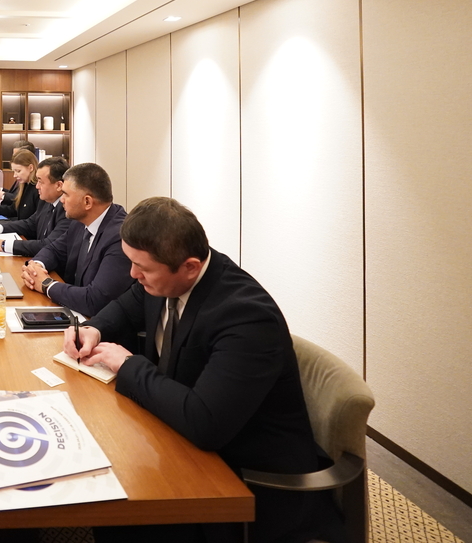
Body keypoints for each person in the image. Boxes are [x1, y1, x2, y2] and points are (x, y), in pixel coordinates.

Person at [65, 197, 344, 543]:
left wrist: (127, 365)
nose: (133, 275)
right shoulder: (167, 275)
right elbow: (129, 303)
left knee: (116, 499)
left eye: (143, 268)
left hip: (246, 476)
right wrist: (94, 327)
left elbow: (205, 422)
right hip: (184, 439)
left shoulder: (245, 316)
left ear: (191, 267)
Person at [20, 162, 134, 316]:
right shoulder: (80, 221)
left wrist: (46, 285)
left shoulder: (120, 237)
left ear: (87, 202)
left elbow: (94, 300)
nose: (61, 200)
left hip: (100, 330)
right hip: (75, 313)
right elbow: (54, 249)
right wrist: (36, 267)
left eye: (66, 194)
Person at [0, 157, 70, 257]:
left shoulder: (68, 211)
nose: (37, 186)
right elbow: (30, 224)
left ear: (59, 185)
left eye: (41, 182)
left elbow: (48, 245)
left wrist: (2, 244)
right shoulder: (46, 201)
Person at [0, 148, 39, 220]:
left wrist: (1, 227)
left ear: (31, 168)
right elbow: (14, 210)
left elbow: (31, 222)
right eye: (14, 171)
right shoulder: (24, 185)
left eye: (18, 171)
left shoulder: (38, 189)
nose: (14, 175)